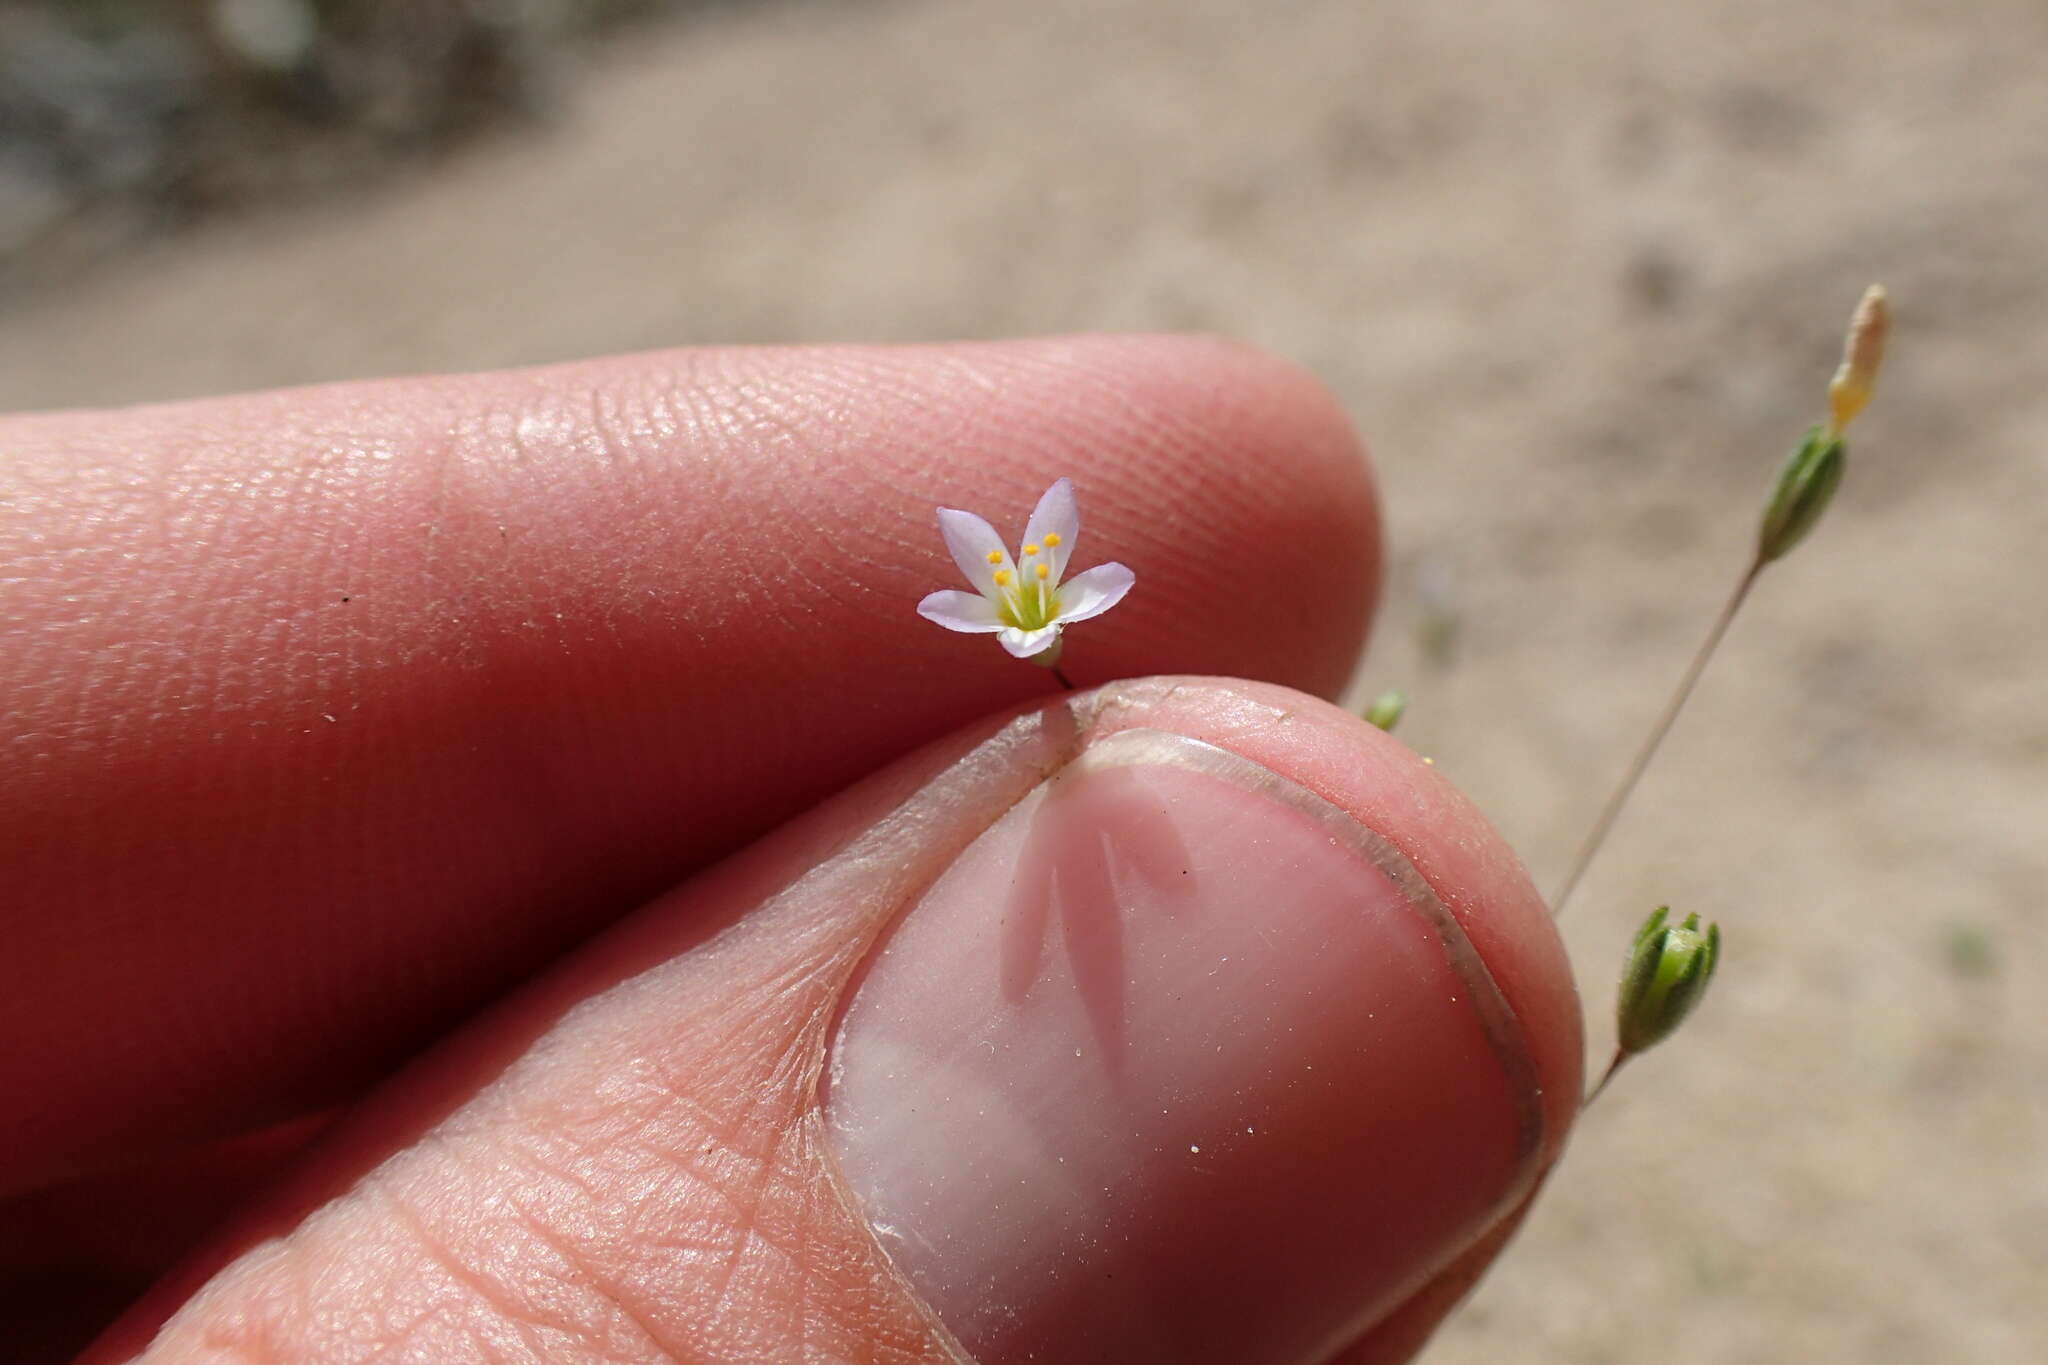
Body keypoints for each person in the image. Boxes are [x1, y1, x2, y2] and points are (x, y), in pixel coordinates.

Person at [0, 335, 1580, 1364]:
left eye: (1038, 589)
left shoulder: (1037, 608)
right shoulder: (1010, 607)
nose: (1029, 598)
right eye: (1017, 592)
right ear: (997, 596)